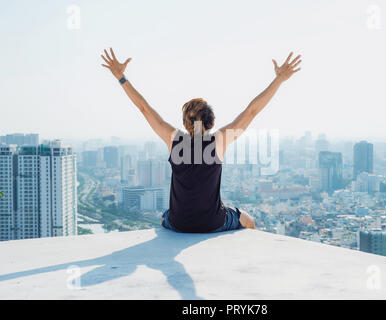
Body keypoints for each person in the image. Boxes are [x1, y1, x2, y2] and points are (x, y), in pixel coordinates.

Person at [101, 48, 301, 233]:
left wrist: (120, 77)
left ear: (186, 123)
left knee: (164, 218)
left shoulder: (173, 140)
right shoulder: (219, 141)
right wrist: (279, 80)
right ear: (211, 120)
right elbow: (251, 111)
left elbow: (144, 108)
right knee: (248, 220)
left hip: (179, 223)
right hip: (212, 223)